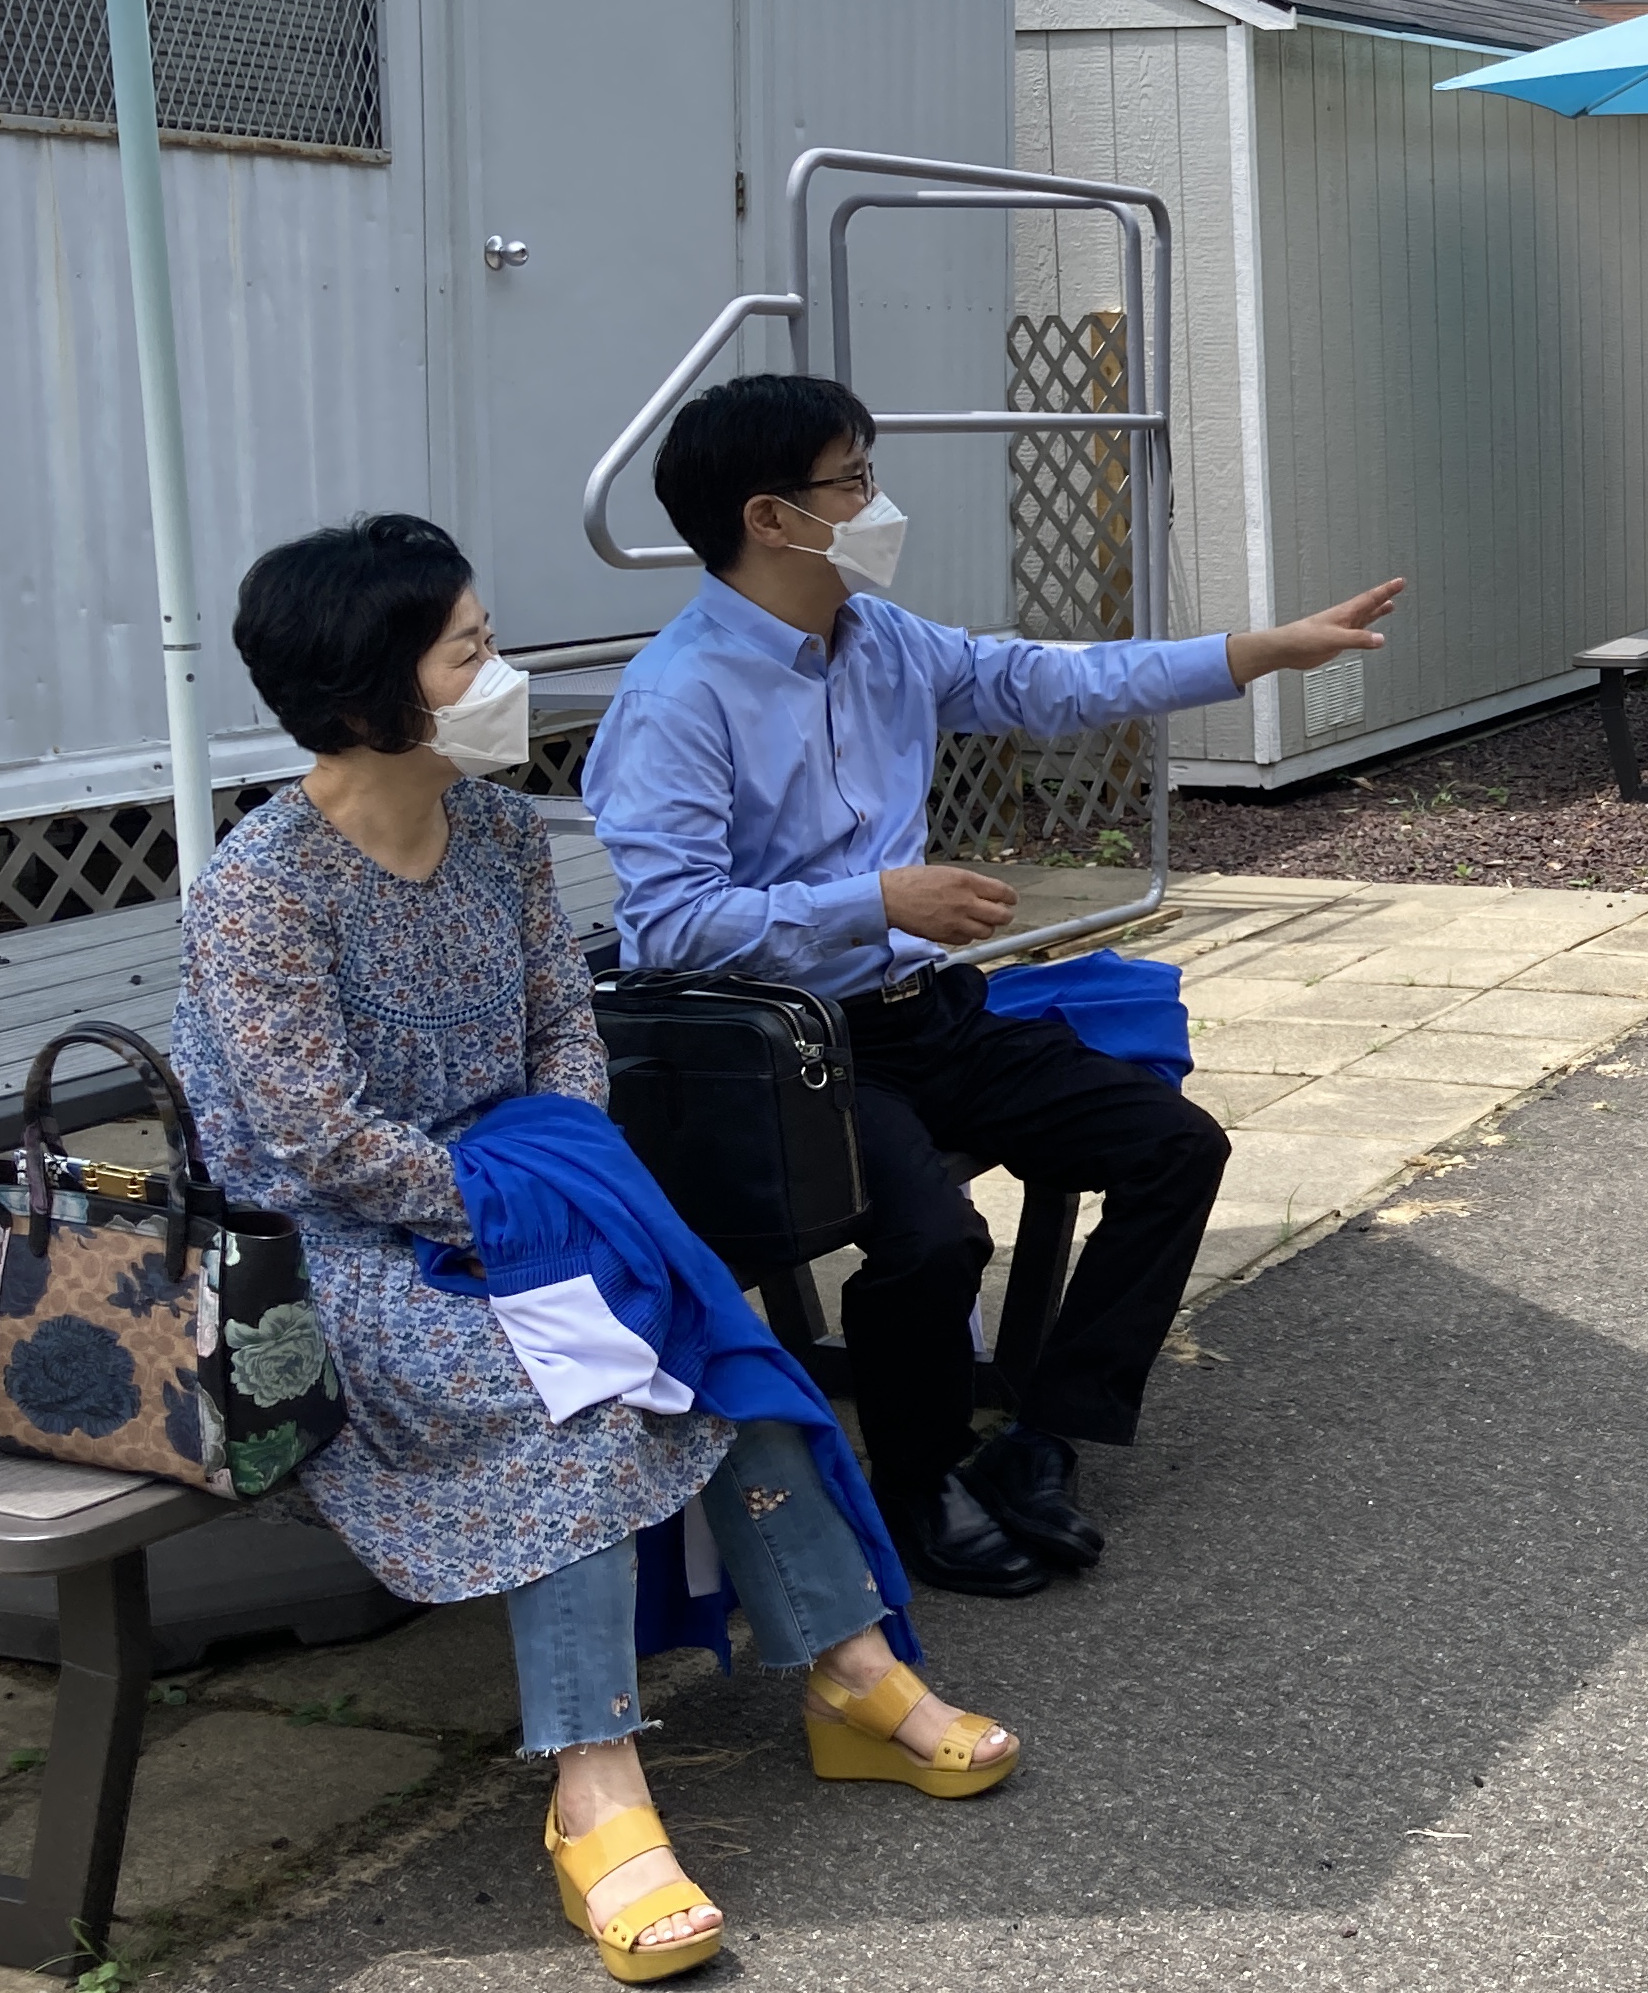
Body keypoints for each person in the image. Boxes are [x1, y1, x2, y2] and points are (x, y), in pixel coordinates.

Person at [175, 516, 1016, 1986]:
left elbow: (570, 1024)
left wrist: (560, 1162)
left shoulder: (501, 833)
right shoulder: (264, 887)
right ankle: (594, 1785)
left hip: (533, 1187)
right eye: (470, 652)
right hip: (349, 1248)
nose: (500, 676)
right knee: (576, 1400)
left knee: (713, 1345)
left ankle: (851, 1669)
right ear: (374, 687)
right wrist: (509, 1208)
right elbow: (316, 1140)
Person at [582, 374, 1401, 1595]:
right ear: (769, 516)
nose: (877, 503)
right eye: (853, 480)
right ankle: (918, 1484)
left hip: (929, 1017)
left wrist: (1257, 654)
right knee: (932, 1239)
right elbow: (667, 931)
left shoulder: (881, 637)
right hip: (795, 1055)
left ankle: (1042, 1438)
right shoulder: (677, 696)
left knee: (1172, 1146)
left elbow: (1051, 682)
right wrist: (876, 900)